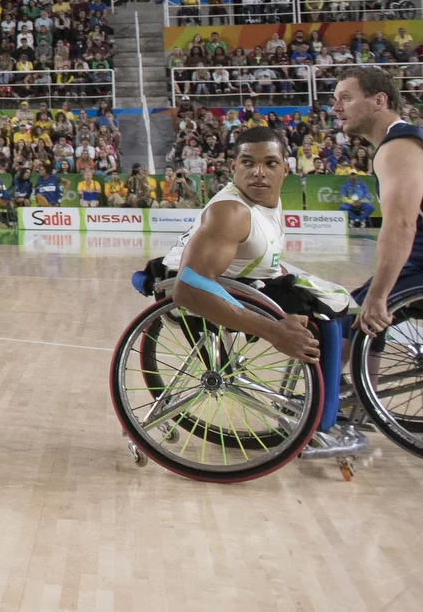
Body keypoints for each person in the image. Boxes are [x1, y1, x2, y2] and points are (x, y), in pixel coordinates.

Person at [160, 123, 355, 450]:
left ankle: (330, 390)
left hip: (241, 280)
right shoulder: (232, 212)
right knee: (325, 315)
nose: (258, 173)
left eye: (270, 163)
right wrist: (273, 330)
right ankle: (321, 422)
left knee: (339, 299)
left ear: (286, 170)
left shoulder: (267, 199)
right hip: (196, 288)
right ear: (232, 167)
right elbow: (189, 288)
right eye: (248, 163)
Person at [330, 66, 423, 336]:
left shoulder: (399, 146)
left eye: (346, 98)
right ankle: (362, 378)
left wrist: (379, 294)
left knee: (356, 318)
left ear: (379, 101)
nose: (336, 108)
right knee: (364, 311)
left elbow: (402, 225)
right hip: (417, 260)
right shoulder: (399, 143)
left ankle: (345, 378)